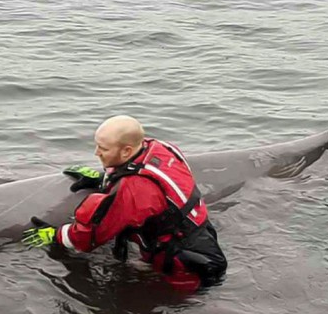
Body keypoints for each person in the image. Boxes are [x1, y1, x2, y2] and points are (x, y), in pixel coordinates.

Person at [23, 115, 227, 291]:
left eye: (103, 148)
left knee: (167, 304)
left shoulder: (134, 190)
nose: (96, 153)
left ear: (126, 151)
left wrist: (56, 235)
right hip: (200, 234)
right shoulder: (161, 148)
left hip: (186, 265)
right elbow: (139, 173)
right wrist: (103, 179)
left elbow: (90, 237)